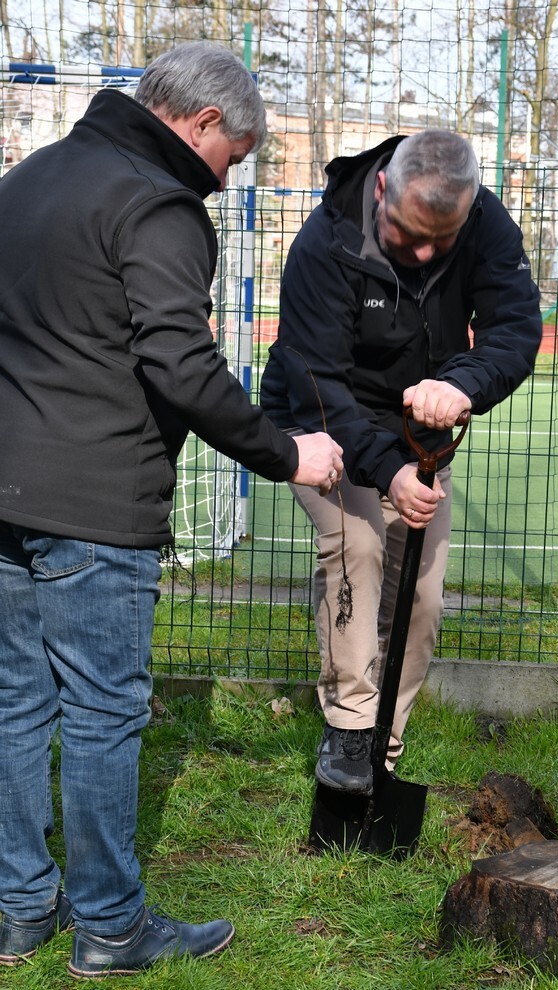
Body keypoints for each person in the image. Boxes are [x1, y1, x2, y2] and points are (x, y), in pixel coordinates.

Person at [0, 41, 343, 978]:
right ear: (199, 126)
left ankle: (21, 908)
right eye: (234, 156)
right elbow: (181, 365)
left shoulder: (28, 179)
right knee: (106, 714)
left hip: (6, 492)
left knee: (16, 706)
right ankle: (111, 924)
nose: (229, 181)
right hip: (97, 501)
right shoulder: (159, 203)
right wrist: (286, 453)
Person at [260, 130, 542, 797]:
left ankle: (380, 759)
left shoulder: (484, 222)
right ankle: (351, 731)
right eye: (409, 233)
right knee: (356, 543)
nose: (421, 253)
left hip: (420, 429)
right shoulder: (325, 243)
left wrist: (465, 382)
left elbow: (514, 328)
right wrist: (386, 471)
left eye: (439, 243)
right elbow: (318, 379)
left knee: (419, 597)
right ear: (382, 188)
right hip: (321, 422)